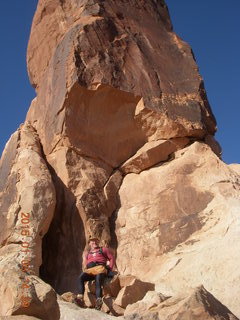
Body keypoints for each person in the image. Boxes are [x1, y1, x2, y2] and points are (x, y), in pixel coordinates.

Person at [75, 237, 115, 310]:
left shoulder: (103, 249)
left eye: (96, 241)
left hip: (100, 268)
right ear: (89, 244)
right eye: (92, 242)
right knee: (80, 277)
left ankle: (98, 300)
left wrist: (110, 268)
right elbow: (85, 262)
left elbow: (111, 258)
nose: (94, 243)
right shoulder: (88, 253)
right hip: (90, 270)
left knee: (98, 280)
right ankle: (80, 297)